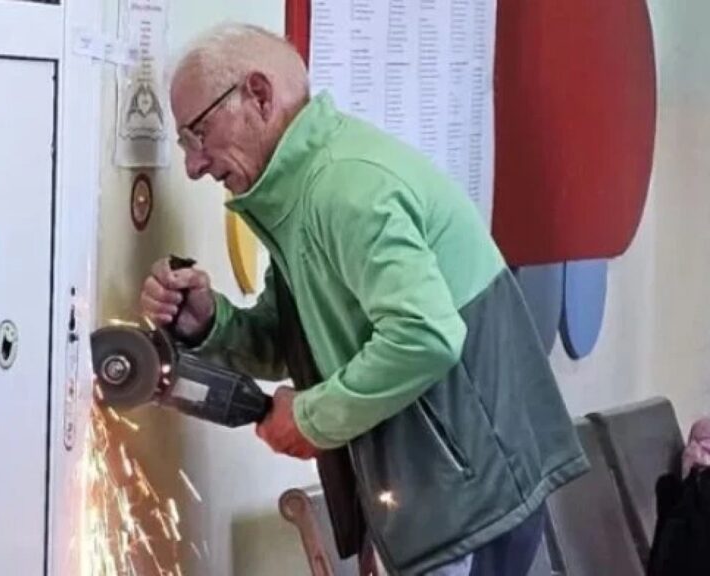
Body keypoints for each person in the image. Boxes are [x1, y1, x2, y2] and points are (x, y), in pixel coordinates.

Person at [139, 22, 590, 576]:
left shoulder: (346, 190)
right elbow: (299, 341)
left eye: (199, 133)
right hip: (444, 498)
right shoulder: (302, 193)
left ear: (258, 94)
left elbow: (424, 337)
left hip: (470, 505)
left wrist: (310, 418)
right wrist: (209, 322)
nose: (193, 165)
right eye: (185, 143)